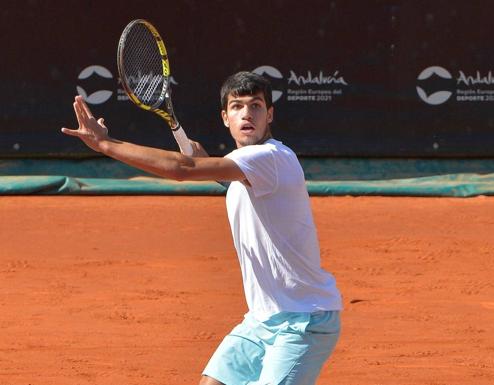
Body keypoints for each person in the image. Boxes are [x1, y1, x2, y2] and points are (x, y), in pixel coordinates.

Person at [62, 71, 343, 385]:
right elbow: (221, 174)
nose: (247, 113)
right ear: (225, 117)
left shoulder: (271, 157)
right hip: (261, 320)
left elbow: (184, 169)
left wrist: (106, 144)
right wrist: (205, 160)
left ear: (270, 115)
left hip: (304, 321)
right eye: (237, 106)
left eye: (256, 106)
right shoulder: (245, 166)